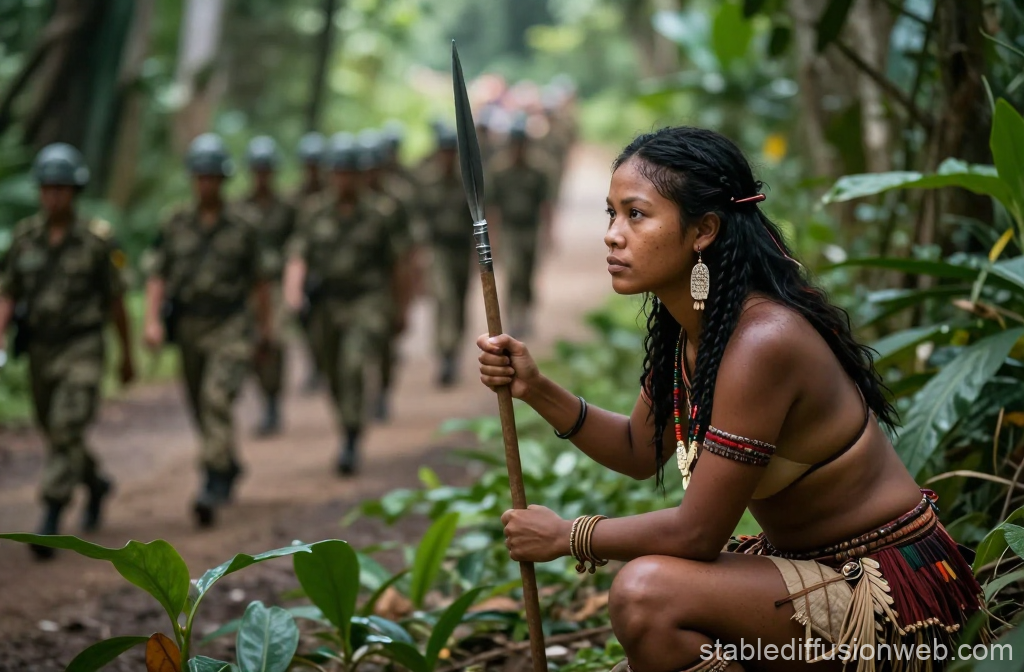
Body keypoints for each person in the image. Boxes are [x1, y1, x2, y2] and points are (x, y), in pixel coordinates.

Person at [478, 127, 988, 672]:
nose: (613, 234)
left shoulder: (761, 342)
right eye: (611, 214)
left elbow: (697, 534)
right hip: (809, 573)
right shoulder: (694, 330)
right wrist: (536, 389)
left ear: (704, 230)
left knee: (646, 595)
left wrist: (569, 536)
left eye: (636, 214)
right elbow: (636, 448)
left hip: (890, 595)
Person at [0, 143, 134, 559]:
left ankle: (51, 513)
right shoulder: (25, 240)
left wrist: (126, 354)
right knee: (56, 431)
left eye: (62, 188)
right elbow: (8, 293)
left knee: (68, 424)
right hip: (41, 349)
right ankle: (94, 483)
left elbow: (116, 301)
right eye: (47, 188)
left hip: (83, 346)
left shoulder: (97, 241)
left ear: (75, 191)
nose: (54, 195)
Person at [143, 133, 271, 527]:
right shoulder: (175, 222)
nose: (206, 183)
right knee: (200, 404)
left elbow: (260, 281)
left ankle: (211, 481)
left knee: (217, 398)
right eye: (200, 176)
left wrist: (264, 329)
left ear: (224, 180)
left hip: (230, 324)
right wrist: (150, 322)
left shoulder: (244, 225)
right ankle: (227, 463)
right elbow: (157, 274)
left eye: (213, 176)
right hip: (188, 325)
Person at [284, 133, 406, 475]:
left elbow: (398, 264)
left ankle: (352, 435)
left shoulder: (381, 213)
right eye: (338, 171)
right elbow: (298, 255)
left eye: (350, 172)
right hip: (326, 304)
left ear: (362, 174)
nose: (344, 178)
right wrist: (293, 294)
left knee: (353, 363)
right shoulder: (313, 212)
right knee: (332, 372)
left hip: (367, 300)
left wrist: (401, 308)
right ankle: (348, 424)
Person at [357, 130, 415, 421]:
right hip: (355, 289)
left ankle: (382, 390)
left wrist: (405, 301)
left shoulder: (395, 201)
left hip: (386, 284)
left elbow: (406, 253)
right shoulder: (350, 202)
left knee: (383, 343)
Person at [242, 135, 296, 437]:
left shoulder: (286, 208)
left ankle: (274, 400)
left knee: (274, 340)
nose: (262, 175)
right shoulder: (240, 208)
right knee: (253, 345)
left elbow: (296, 246)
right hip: (247, 288)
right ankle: (265, 398)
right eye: (257, 169)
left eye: (266, 169)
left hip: (276, 284)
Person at [417, 124, 474, 387]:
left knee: (460, 301)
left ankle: (454, 351)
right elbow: (418, 219)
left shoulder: (468, 181)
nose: (448, 156)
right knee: (444, 299)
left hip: (462, 250)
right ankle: (444, 353)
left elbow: (480, 216)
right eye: (444, 151)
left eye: (452, 151)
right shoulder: (427, 182)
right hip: (437, 249)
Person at [487, 119, 551, 339]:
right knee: (513, 273)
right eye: (515, 143)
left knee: (527, 274)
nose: (518, 148)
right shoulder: (499, 170)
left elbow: (545, 204)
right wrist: (492, 238)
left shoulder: (538, 170)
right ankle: (514, 316)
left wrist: (548, 232)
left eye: (521, 143)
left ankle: (525, 311)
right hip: (509, 231)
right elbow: (493, 206)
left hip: (530, 229)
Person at [293, 131, 329, 393]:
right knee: (308, 327)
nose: (312, 169)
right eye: (309, 163)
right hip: (306, 275)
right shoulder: (295, 199)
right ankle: (316, 365)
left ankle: (323, 366)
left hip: (331, 276)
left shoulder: (331, 197)